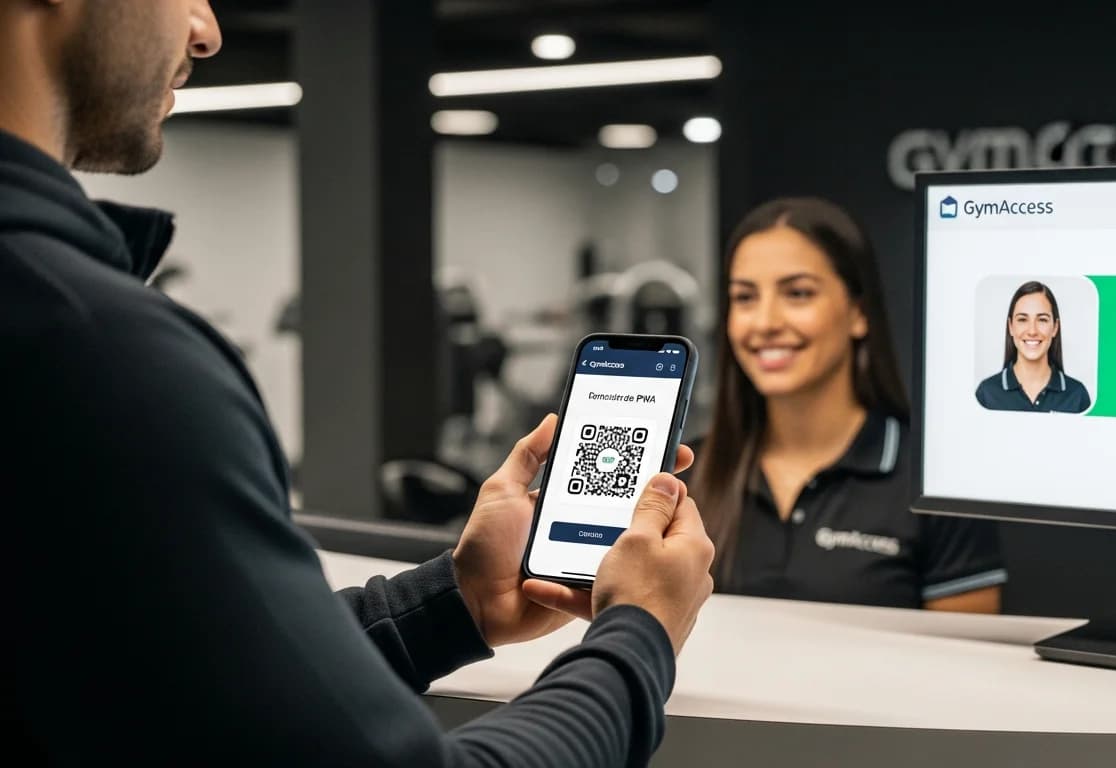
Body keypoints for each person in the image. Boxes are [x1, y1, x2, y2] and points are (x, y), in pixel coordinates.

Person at [1, 2, 713, 765]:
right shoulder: (96, 352)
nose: (206, 28)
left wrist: (455, 605)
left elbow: (164, 686)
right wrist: (638, 634)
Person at [688, 197, 1006, 611]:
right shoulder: (683, 474)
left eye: (798, 293)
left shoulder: (937, 480)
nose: (764, 322)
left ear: (859, 312)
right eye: (745, 298)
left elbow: (968, 664)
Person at [975, 280, 1092, 413]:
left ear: (1055, 327)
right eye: (1022, 320)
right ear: (1011, 327)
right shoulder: (987, 393)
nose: (1032, 331)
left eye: (1042, 319)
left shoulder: (1077, 395)